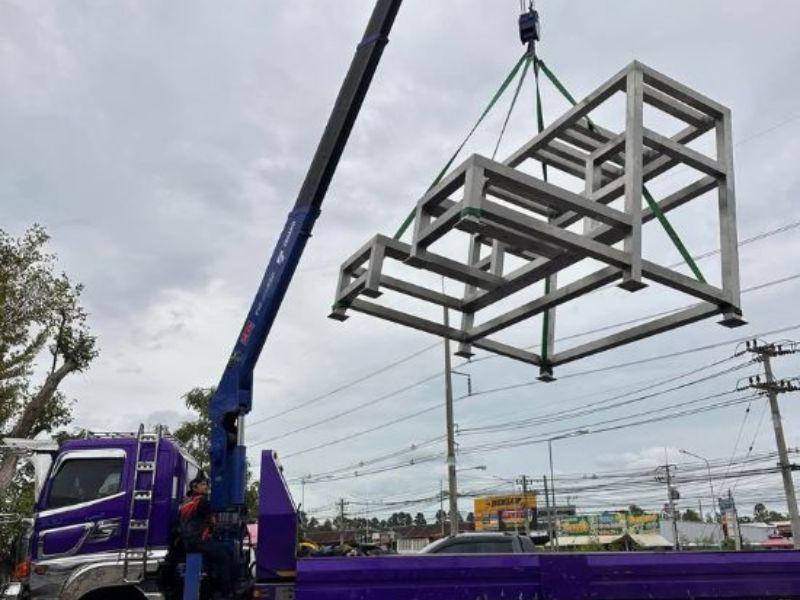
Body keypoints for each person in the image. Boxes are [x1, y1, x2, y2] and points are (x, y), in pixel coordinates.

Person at [179, 474, 237, 598]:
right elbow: (212, 522)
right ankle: (227, 592)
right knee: (226, 555)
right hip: (199, 541)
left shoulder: (186, 502)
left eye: (206, 484)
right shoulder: (202, 501)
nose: (206, 486)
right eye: (203, 484)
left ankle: (212, 588)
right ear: (195, 487)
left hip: (188, 542)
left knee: (213, 558)